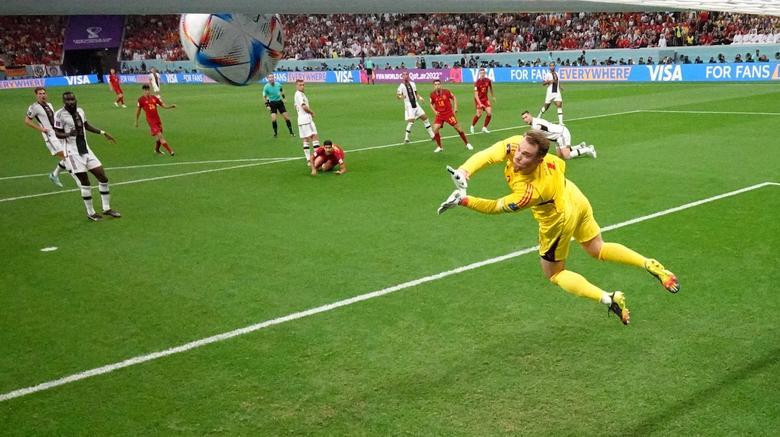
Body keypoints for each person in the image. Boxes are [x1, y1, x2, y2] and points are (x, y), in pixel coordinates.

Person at [437, 130, 679, 325]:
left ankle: (609, 299)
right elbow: (491, 153)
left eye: (526, 156)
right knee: (597, 248)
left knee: (554, 273)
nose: (518, 157)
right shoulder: (520, 146)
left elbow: (495, 206)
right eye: (519, 151)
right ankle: (650, 264)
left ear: (539, 160)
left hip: (558, 218)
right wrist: (464, 171)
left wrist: (463, 200)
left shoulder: (531, 191)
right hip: (574, 194)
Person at [53, 91, 120, 221]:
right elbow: (57, 133)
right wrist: (68, 134)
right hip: (72, 152)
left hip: (86, 150)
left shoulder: (80, 111)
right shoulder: (59, 115)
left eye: (72, 99)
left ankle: (106, 208)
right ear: (64, 102)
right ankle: (90, 212)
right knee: (85, 183)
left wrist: (103, 132)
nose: (71, 102)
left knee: (102, 177)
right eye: (68, 100)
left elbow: (86, 125)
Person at [24, 87, 70, 188]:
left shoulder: (49, 105)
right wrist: (41, 129)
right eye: (40, 94)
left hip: (57, 134)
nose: (42, 95)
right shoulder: (34, 107)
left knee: (68, 156)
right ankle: (71, 176)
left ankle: (54, 175)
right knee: (66, 157)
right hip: (50, 137)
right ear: (36, 95)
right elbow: (27, 121)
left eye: (44, 93)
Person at [521, 111, 595, 159]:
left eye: (526, 117)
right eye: (523, 118)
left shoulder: (536, 124)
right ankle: (580, 146)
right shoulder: (534, 122)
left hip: (561, 134)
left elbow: (539, 128)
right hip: (557, 138)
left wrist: (528, 134)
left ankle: (588, 149)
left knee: (567, 156)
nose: (525, 120)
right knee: (560, 156)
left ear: (530, 115)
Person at [430, 79, 472, 153]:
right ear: (434, 86)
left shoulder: (446, 92)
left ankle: (467, 143)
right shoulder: (432, 94)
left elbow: (454, 97)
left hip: (449, 114)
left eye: (438, 84)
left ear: (441, 85)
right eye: (436, 84)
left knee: (458, 129)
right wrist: (435, 111)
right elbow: (430, 104)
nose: (437, 86)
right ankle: (440, 147)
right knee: (435, 128)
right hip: (440, 115)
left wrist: (455, 107)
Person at [135, 84, 176, 156]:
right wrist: (136, 121)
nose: (147, 91)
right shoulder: (141, 100)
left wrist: (170, 107)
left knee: (158, 137)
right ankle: (170, 151)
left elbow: (162, 105)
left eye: (148, 90)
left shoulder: (154, 98)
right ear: (143, 91)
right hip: (151, 121)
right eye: (145, 90)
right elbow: (138, 111)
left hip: (157, 119)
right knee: (160, 136)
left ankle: (157, 150)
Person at [396, 70, 435, 144]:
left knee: (425, 118)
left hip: (416, 104)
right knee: (411, 121)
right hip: (409, 105)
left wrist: (420, 98)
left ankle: (432, 136)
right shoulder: (401, 86)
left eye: (406, 74)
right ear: (402, 76)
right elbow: (398, 96)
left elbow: (416, 93)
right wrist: (401, 96)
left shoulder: (413, 84)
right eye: (404, 75)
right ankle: (406, 138)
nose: (405, 76)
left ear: (408, 75)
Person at [294, 79, 320, 165]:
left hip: (300, 120)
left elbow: (295, 106)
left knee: (305, 139)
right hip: (306, 119)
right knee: (314, 137)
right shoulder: (299, 94)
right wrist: (311, 112)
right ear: (296, 86)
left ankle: (309, 160)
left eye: (303, 84)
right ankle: (317, 158)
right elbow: (304, 106)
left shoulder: (297, 95)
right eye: (300, 85)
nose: (302, 86)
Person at [470, 68, 495, 134]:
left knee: (489, 113)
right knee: (479, 114)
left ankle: (484, 127)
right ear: (479, 74)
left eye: (483, 73)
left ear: (485, 74)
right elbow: (476, 95)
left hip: (485, 99)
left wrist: (493, 96)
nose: (482, 74)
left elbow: (491, 88)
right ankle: (472, 126)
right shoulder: (477, 83)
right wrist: (480, 103)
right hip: (478, 99)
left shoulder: (488, 81)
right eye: (481, 73)